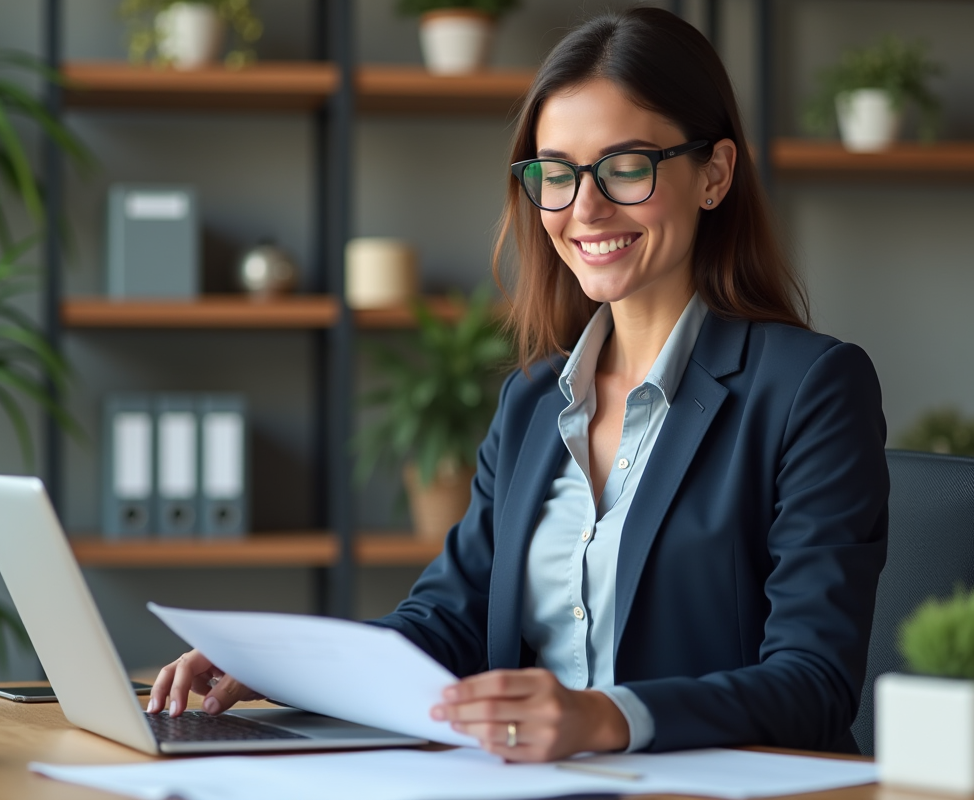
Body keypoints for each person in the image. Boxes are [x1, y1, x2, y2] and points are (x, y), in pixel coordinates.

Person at [149, 6, 888, 763]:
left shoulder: (811, 389)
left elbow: (814, 682)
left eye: (626, 167)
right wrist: (280, 667)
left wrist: (607, 717)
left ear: (715, 174)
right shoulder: (536, 401)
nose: (585, 208)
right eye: (557, 174)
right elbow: (450, 623)